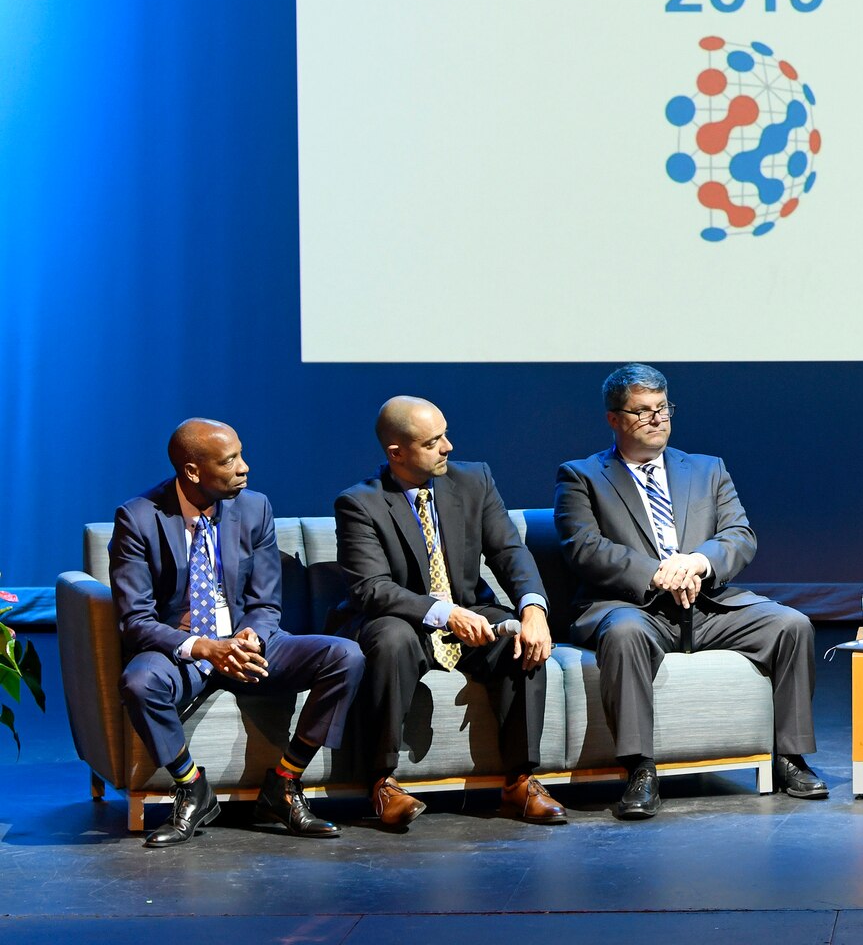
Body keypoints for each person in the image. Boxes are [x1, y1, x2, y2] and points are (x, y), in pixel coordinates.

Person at [555, 363, 825, 815]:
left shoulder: (706, 469)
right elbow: (583, 547)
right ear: (614, 419)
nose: (657, 419)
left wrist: (696, 562)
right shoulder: (581, 476)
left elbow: (740, 535)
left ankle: (789, 757)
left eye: (662, 408)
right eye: (642, 412)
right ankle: (640, 769)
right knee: (624, 635)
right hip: (634, 606)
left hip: (707, 603)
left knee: (790, 625)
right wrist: (656, 572)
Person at [109, 418, 364, 847]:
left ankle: (283, 785)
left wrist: (251, 637)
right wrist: (205, 647)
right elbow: (135, 620)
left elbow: (266, 603)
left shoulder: (254, 507)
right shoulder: (138, 518)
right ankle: (192, 787)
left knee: (346, 656)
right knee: (139, 681)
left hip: (244, 642)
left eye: (241, 455)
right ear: (193, 471)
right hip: (183, 649)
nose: (245, 467)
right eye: (230, 461)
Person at [334, 396, 566, 828]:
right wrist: (445, 613)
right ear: (396, 453)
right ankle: (381, 783)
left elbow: (509, 552)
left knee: (524, 638)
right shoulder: (359, 503)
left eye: (445, 434)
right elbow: (372, 589)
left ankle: (520, 782)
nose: (448, 447)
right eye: (433, 441)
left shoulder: (474, 480)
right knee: (391, 638)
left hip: (470, 611)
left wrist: (534, 608)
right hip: (402, 617)